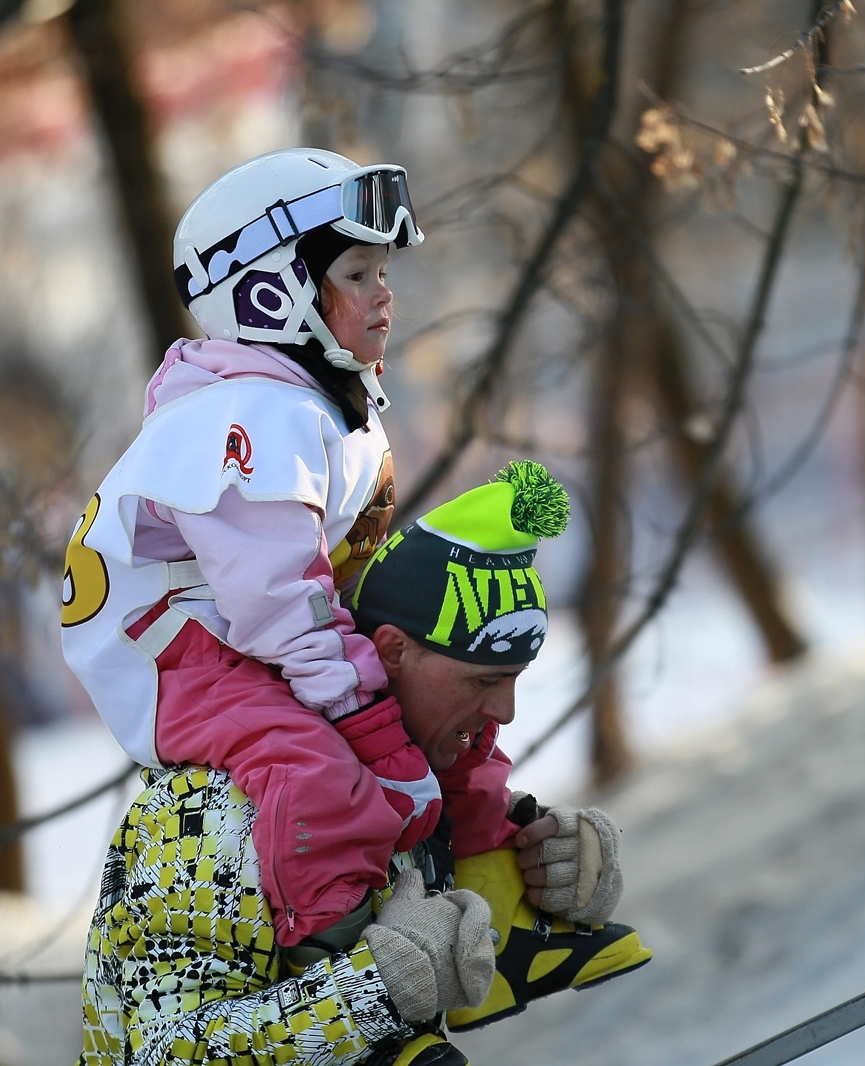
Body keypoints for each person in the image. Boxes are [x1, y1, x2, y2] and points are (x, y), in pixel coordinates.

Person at [79, 466, 652, 1066]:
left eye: (512, 682)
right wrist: (376, 988)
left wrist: (550, 871)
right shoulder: (212, 814)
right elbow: (163, 1056)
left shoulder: (407, 785)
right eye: (483, 680)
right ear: (391, 651)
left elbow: (448, 952)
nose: (504, 712)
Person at [61, 148, 445, 953]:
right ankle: (339, 957)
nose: (384, 294)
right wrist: (369, 729)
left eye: (382, 271)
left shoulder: (308, 396)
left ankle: (486, 885)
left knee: (441, 680)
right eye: (355, 273)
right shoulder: (248, 418)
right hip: (171, 648)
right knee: (313, 771)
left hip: (237, 622)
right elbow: (278, 600)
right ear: (272, 294)